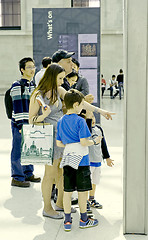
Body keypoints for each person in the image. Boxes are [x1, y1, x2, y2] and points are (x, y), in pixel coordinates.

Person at [29, 63, 115, 220]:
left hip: (62, 137)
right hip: (49, 138)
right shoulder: (38, 95)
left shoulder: (59, 90)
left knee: (62, 172)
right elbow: (31, 120)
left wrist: (100, 111)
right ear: (52, 77)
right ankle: (47, 208)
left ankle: (61, 204)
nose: (63, 81)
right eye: (60, 78)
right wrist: (43, 115)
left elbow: (79, 102)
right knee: (50, 174)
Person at [56, 89, 102, 231]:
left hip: (68, 160)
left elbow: (59, 143)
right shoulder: (80, 121)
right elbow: (83, 142)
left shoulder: (60, 121)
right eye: (82, 104)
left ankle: (67, 221)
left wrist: (70, 144)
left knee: (67, 192)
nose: (83, 107)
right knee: (82, 192)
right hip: (82, 161)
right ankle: (83, 219)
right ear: (76, 105)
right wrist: (95, 141)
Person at [10, 57, 41, 188]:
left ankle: (28, 173)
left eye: (33, 67)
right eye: (29, 67)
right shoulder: (17, 86)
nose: (32, 70)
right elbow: (18, 107)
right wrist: (22, 125)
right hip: (20, 123)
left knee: (29, 148)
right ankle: (17, 177)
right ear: (22, 70)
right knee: (18, 150)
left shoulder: (33, 85)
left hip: (30, 122)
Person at [86, 112, 114, 209]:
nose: (92, 119)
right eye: (90, 118)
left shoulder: (99, 129)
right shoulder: (86, 130)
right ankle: (84, 201)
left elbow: (103, 145)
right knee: (87, 183)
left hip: (97, 161)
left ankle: (91, 199)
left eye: (93, 116)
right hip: (88, 162)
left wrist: (107, 158)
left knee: (94, 182)